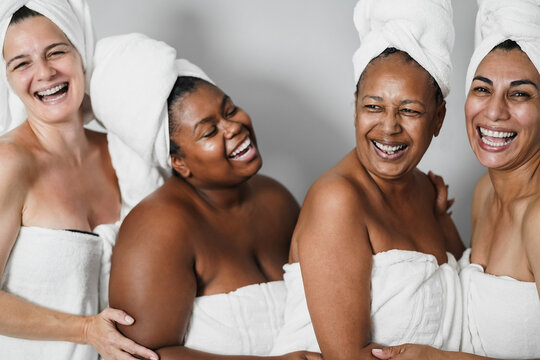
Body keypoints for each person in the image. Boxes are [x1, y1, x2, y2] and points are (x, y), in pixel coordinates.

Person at [89, 33, 322, 360]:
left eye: (230, 109)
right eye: (209, 131)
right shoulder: (158, 230)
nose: (234, 127)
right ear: (179, 162)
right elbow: (142, 356)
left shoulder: (276, 198)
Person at [269, 0, 465, 358]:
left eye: (409, 110)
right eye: (373, 106)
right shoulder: (337, 200)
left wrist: (442, 219)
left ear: (438, 118)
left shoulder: (426, 192)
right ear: (355, 106)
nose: (389, 127)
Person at [372, 0, 540, 359]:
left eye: (521, 93)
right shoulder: (486, 192)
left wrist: (440, 358)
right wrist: (441, 221)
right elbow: (484, 296)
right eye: (482, 89)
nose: (494, 111)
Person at [0, 2, 157, 359]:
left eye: (56, 52)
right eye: (21, 63)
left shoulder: (123, 151)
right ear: (7, 78)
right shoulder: (9, 163)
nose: (44, 73)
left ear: (81, 53)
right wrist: (85, 330)